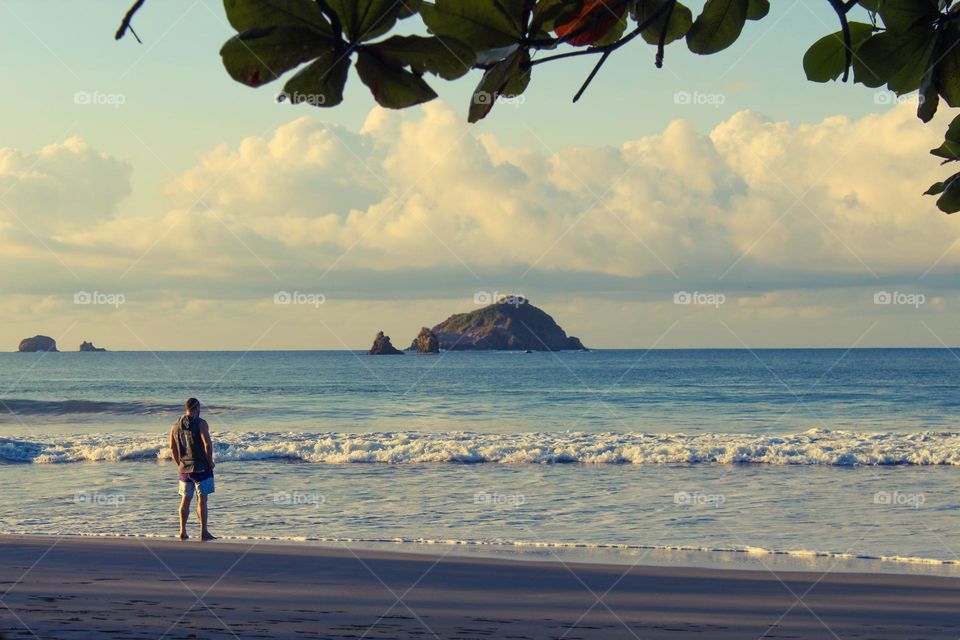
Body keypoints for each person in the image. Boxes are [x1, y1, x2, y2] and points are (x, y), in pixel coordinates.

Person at [170, 397, 216, 541]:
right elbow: (207, 444)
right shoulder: (201, 424)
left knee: (185, 500)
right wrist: (210, 462)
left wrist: (179, 464)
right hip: (201, 467)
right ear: (197, 408)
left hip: (184, 468)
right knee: (202, 500)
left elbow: (173, 448)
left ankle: (182, 531)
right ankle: (204, 532)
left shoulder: (175, 425)